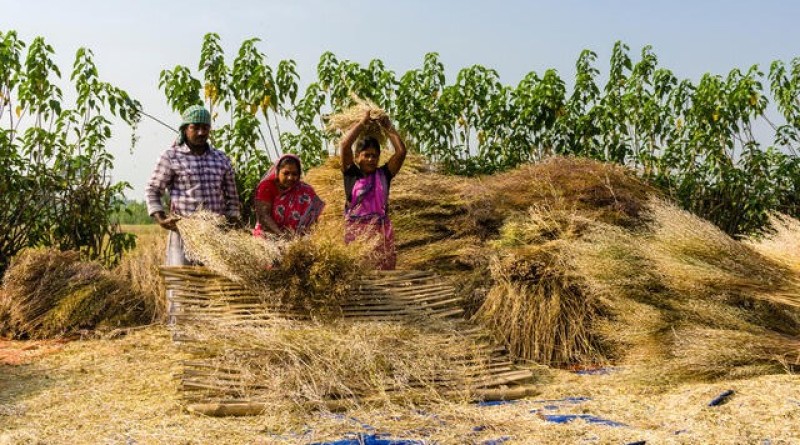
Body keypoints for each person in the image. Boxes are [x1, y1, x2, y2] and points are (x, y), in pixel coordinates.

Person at [145, 105, 240, 322]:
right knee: (181, 283)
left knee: (212, 283)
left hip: (214, 233)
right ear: (184, 129)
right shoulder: (171, 156)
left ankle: (207, 331)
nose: (200, 132)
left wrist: (232, 220)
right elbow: (152, 189)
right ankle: (179, 331)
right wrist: (160, 217)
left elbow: (232, 195)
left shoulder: (220, 159)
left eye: (205, 128)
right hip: (183, 231)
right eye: (195, 127)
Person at [339, 111, 407, 270]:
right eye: (367, 155)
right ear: (357, 157)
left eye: (374, 156)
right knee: (358, 272)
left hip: (380, 232)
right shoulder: (351, 174)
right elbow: (345, 146)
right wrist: (362, 122)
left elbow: (401, 152)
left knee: (382, 275)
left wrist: (387, 126)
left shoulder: (384, 175)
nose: (371, 159)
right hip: (356, 234)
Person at [253, 154, 325, 237]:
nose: (290, 177)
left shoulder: (305, 190)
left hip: (297, 239)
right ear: (277, 172)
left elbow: (315, 216)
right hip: (268, 236)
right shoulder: (266, 187)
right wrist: (281, 236)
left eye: (294, 174)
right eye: (286, 173)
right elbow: (263, 216)